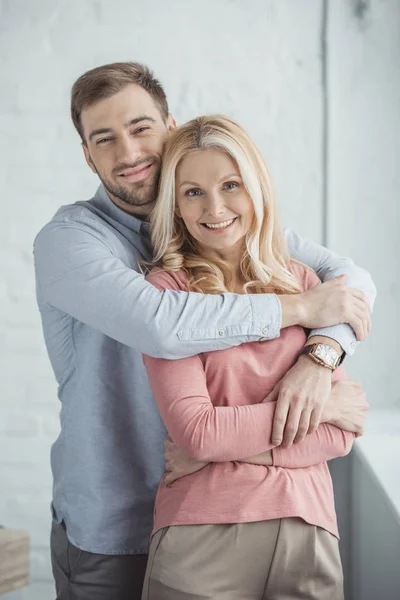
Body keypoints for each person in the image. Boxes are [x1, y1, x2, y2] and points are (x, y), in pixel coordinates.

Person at [33, 62, 375, 600]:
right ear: (87, 153)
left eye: (141, 128)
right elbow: (163, 326)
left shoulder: (221, 225)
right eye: (105, 138)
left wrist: (320, 358)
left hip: (229, 505)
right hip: (114, 529)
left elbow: (354, 282)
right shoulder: (71, 241)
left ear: (171, 126)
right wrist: (303, 308)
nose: (128, 153)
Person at [141, 114, 369, 599]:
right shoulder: (169, 292)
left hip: (308, 528)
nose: (216, 207)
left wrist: (224, 449)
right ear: (175, 206)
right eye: (193, 191)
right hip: (201, 532)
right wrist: (321, 408)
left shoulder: (305, 283)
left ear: (257, 188)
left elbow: (341, 435)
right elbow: (196, 431)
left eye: (231, 185)